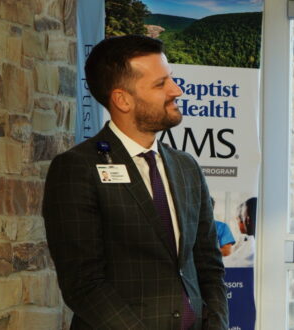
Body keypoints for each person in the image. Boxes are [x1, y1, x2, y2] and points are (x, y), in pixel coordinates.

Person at [42, 35, 228, 329]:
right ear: (122, 99)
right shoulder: (77, 168)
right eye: (160, 84)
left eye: (172, 79)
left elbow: (208, 265)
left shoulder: (186, 167)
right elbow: (84, 284)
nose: (176, 90)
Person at [223, 197, 256, 267]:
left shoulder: (252, 246)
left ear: (248, 220)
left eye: (242, 217)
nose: (241, 221)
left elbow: (236, 261)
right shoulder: (251, 240)